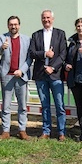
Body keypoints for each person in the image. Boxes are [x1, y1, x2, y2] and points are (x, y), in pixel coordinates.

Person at [29, 9, 67, 141]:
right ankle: (46, 131)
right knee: (45, 105)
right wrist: (45, 54)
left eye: (48, 18)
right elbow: (32, 53)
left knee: (59, 105)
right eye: (44, 18)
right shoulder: (36, 35)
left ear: (53, 19)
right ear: (41, 19)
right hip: (40, 75)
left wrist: (53, 67)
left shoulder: (60, 34)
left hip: (55, 75)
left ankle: (61, 132)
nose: (46, 20)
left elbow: (63, 54)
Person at [0, 16, 32, 140]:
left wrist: (22, 71)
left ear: (19, 25)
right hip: (7, 75)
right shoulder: (2, 37)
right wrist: (2, 47)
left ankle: (22, 130)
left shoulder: (27, 39)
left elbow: (29, 58)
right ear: (8, 26)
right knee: (6, 105)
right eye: (11, 24)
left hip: (21, 76)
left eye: (15, 24)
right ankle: (5, 131)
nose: (13, 27)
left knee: (22, 105)